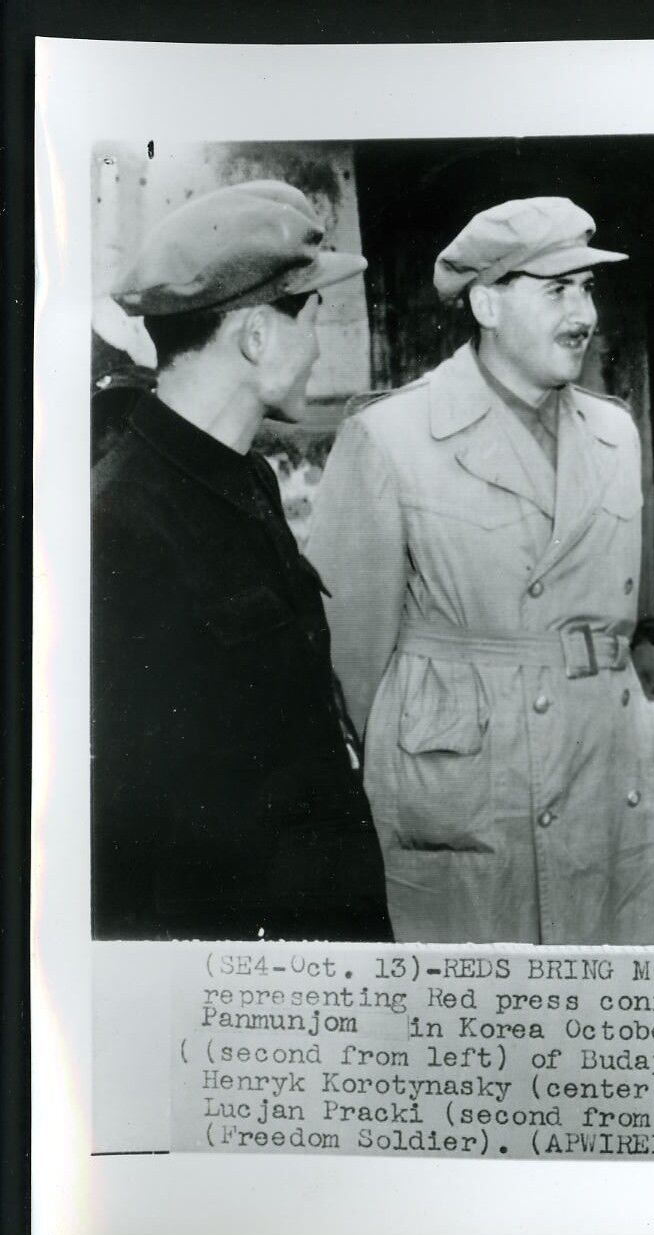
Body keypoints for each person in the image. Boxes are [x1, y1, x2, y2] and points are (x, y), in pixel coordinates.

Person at [306, 197, 654, 944]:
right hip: (474, 784)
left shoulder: (614, 431)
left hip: (604, 765)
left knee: (608, 1016)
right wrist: (432, 742)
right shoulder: (391, 437)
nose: (584, 314)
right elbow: (350, 658)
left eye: (589, 289)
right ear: (487, 302)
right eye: (557, 288)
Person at [92, 180, 392, 940]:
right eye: (313, 319)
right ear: (258, 337)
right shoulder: (117, 523)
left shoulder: (245, 475)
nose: (318, 344)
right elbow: (125, 831)